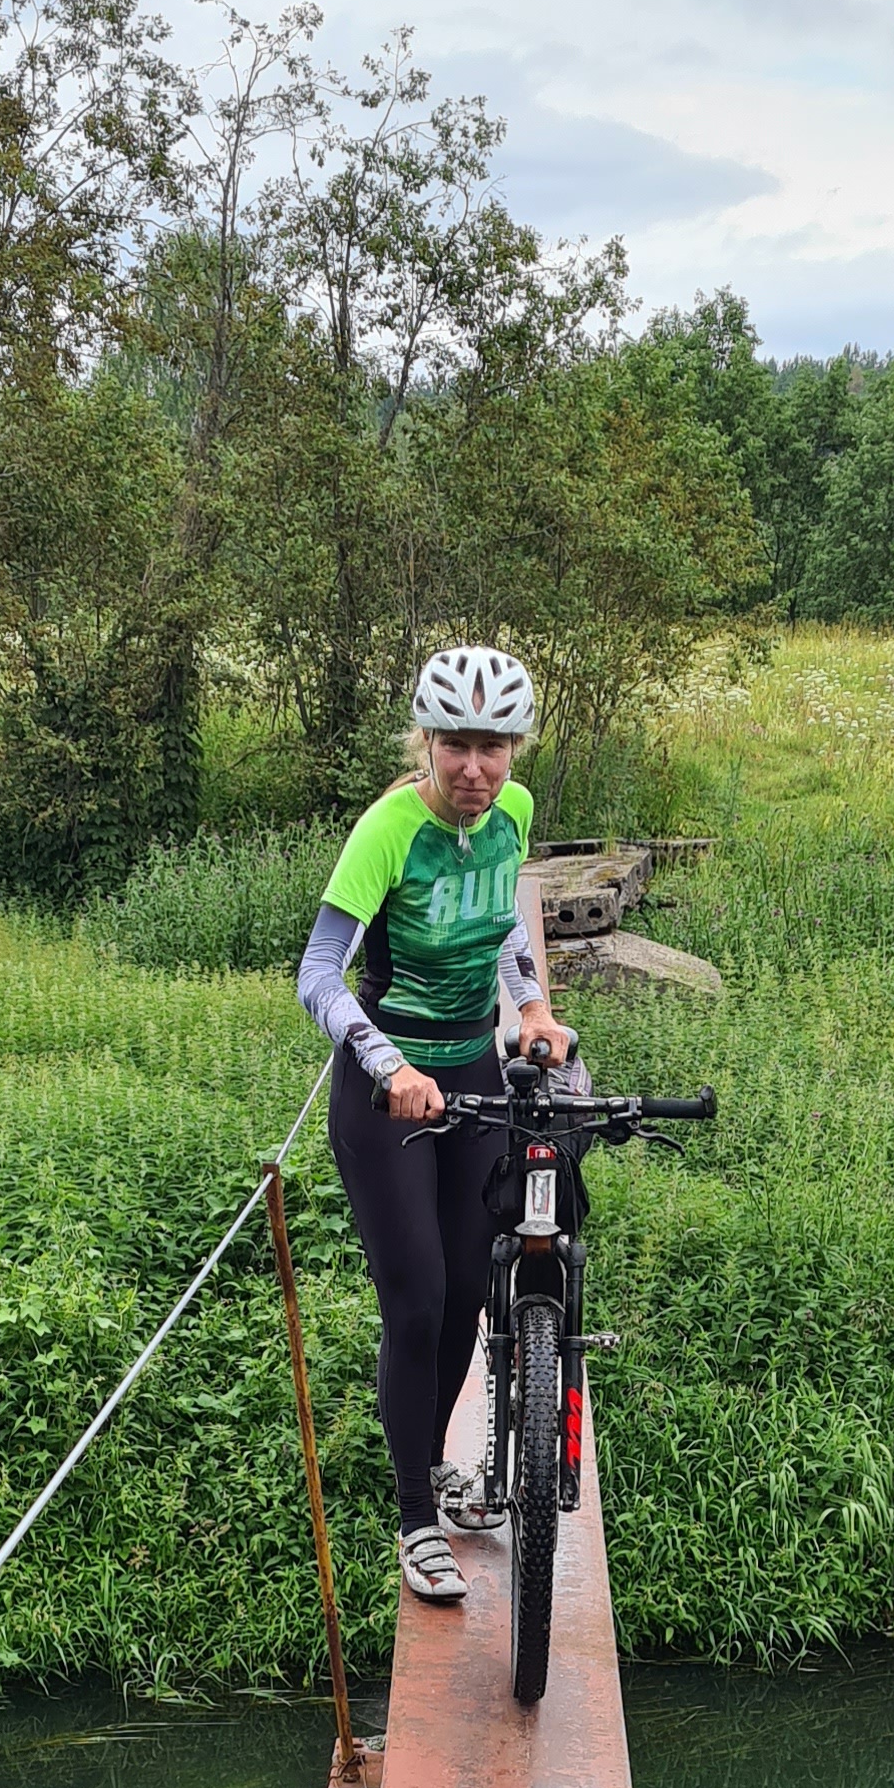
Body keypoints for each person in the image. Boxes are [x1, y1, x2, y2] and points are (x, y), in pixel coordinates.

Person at [297, 645, 575, 1606]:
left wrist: (530, 1008)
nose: (475, 769)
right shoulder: (388, 830)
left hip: (471, 1073)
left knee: (466, 1292)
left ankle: (425, 1464)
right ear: (426, 742)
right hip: (391, 1089)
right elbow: (318, 975)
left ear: (515, 750)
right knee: (416, 1298)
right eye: (456, 745)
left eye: (493, 748)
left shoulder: (514, 814)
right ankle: (416, 1515)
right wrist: (391, 1066)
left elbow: (503, 921)